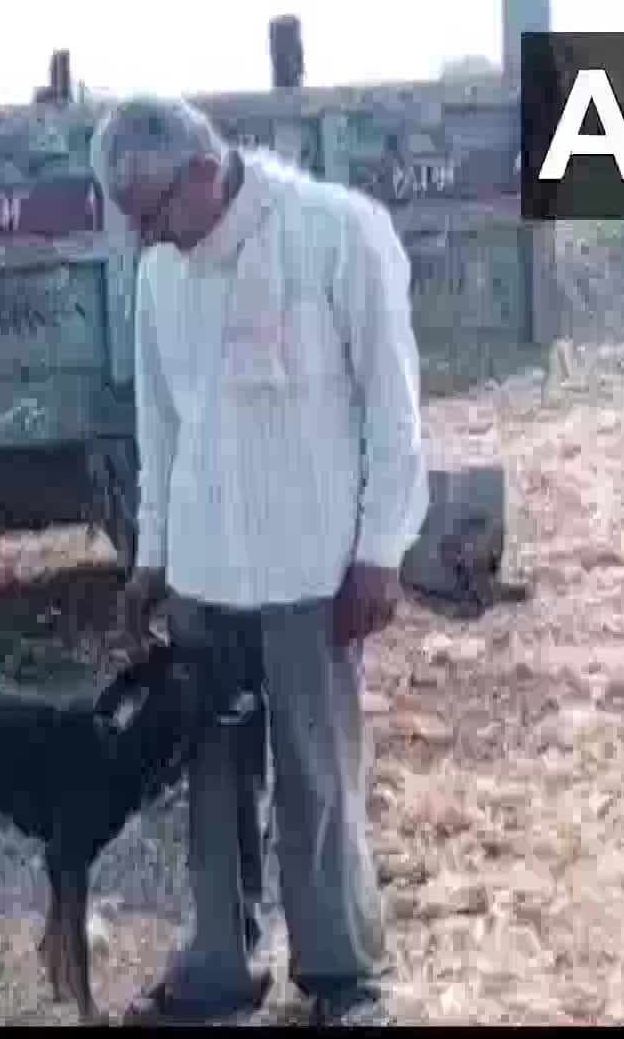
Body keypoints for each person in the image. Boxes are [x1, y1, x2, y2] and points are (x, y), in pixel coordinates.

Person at [90, 94, 429, 1027]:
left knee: (317, 771)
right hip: (204, 572)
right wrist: (152, 557)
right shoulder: (160, 275)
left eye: (154, 213)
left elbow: (394, 413)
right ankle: (219, 965)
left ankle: (342, 977)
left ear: (205, 173)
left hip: (313, 570)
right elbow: (158, 426)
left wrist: (379, 552)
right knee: (211, 774)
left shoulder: (336, 234)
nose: (145, 237)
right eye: (131, 221)